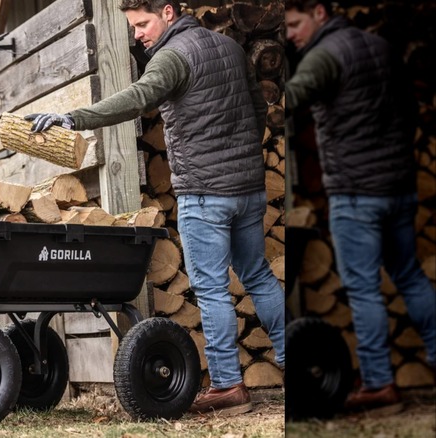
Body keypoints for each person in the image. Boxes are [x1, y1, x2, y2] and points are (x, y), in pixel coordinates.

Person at [27, 0, 285, 416]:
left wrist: (71, 118)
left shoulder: (173, 56)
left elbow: (135, 99)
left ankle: (228, 385)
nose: (138, 35)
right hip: (249, 187)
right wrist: (240, 159)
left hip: (206, 192)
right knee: (257, 274)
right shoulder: (230, 48)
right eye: (132, 28)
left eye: (142, 24)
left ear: (168, 12)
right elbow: (258, 109)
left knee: (211, 288)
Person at [285, 0, 436, 415]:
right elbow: (410, 110)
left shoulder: (324, 56)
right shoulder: (381, 47)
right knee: (410, 275)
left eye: (295, 24)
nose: (291, 35)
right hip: (399, 187)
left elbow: (291, 96)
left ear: (319, 13)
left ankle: (379, 384)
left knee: (364, 287)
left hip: (356, 194)